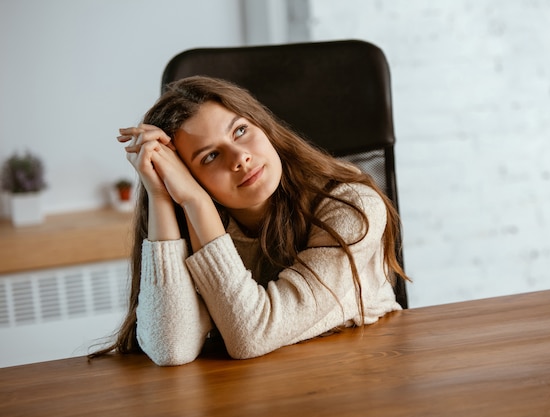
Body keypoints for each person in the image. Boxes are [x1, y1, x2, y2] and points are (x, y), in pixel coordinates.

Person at [92, 76, 409, 366]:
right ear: (186, 179)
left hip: (362, 371)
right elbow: (171, 346)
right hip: (255, 389)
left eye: (240, 130)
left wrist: (197, 200)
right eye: (210, 156)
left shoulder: (351, 207)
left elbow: (251, 336)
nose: (239, 157)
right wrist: (162, 194)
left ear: (264, 126)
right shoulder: (193, 217)